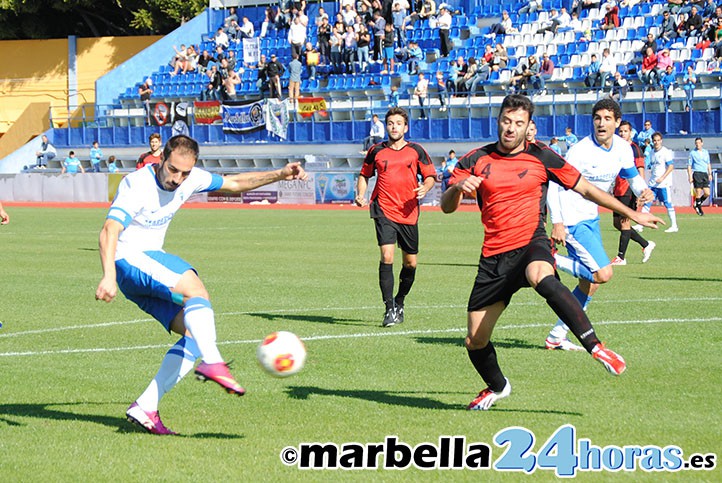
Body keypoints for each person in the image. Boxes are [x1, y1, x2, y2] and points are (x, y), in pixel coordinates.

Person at [440, 95, 662, 410]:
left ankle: (595, 347)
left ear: (529, 126)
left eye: (518, 123)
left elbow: (586, 188)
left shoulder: (543, 157)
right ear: (498, 120)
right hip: (493, 257)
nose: (510, 128)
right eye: (506, 121)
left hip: (532, 242)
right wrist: (457, 190)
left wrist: (634, 213)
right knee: (475, 339)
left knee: (541, 275)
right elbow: (446, 207)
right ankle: (497, 386)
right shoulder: (475, 159)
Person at [95, 134, 307, 435]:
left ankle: (146, 406)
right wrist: (108, 275)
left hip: (143, 270)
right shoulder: (137, 184)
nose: (178, 178)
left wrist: (281, 174)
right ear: (162, 159)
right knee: (196, 290)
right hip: (129, 260)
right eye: (172, 170)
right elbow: (109, 230)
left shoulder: (191, 177)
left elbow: (234, 184)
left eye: (184, 172)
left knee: (196, 335)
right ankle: (214, 363)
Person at [544, 99, 655, 350]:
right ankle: (550, 260)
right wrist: (558, 222)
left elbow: (632, 178)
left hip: (591, 217)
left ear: (617, 122)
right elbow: (555, 184)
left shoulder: (623, 149)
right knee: (602, 274)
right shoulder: (580, 151)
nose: (601, 123)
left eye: (607, 118)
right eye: (597, 118)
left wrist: (644, 190)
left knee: (589, 285)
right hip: (572, 219)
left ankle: (556, 336)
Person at [354, 107, 436, 327]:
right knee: (387, 256)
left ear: (405, 127)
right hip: (383, 208)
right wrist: (360, 194)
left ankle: (400, 301)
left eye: (398, 123)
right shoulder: (376, 150)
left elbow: (430, 176)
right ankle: (389, 308)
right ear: (386, 126)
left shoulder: (416, 151)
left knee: (410, 263)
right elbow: (364, 174)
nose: (394, 127)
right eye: (390, 123)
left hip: (408, 211)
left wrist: (424, 188)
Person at [610, 120, 656, 266]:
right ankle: (646, 244)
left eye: (625, 131)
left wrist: (640, 192)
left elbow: (640, 170)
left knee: (624, 222)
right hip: (618, 189)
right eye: (621, 131)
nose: (623, 133)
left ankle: (621, 257)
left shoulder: (634, 148)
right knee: (617, 223)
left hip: (628, 190)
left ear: (631, 133)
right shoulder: (616, 148)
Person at [642, 132, 679, 233]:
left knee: (667, 203)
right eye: (655, 141)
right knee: (647, 202)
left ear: (661, 141)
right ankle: (640, 225)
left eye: (658, 140)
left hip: (663, 184)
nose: (657, 142)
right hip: (653, 183)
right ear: (652, 141)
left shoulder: (665, 152)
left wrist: (662, 177)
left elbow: (671, 166)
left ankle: (674, 226)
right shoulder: (651, 152)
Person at [688, 137, 713, 215]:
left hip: (704, 173)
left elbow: (708, 163)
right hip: (697, 173)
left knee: (707, 193)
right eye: (696, 143)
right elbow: (689, 165)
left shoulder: (706, 152)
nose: (698, 144)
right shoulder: (692, 153)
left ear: (702, 143)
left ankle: (697, 203)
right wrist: (690, 176)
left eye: (699, 143)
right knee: (698, 192)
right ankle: (699, 209)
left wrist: (710, 173)